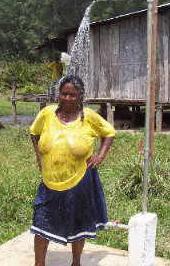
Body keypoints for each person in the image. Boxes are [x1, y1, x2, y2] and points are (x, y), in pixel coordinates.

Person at [29, 74, 115, 266]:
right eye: (64, 93)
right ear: (58, 94)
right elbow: (34, 133)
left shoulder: (89, 117)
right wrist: (39, 156)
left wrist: (100, 156)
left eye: (72, 95)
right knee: (41, 222)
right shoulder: (47, 114)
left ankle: (76, 262)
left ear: (80, 96)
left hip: (80, 180)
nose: (67, 98)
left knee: (78, 223)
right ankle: (39, 264)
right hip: (49, 180)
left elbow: (109, 132)